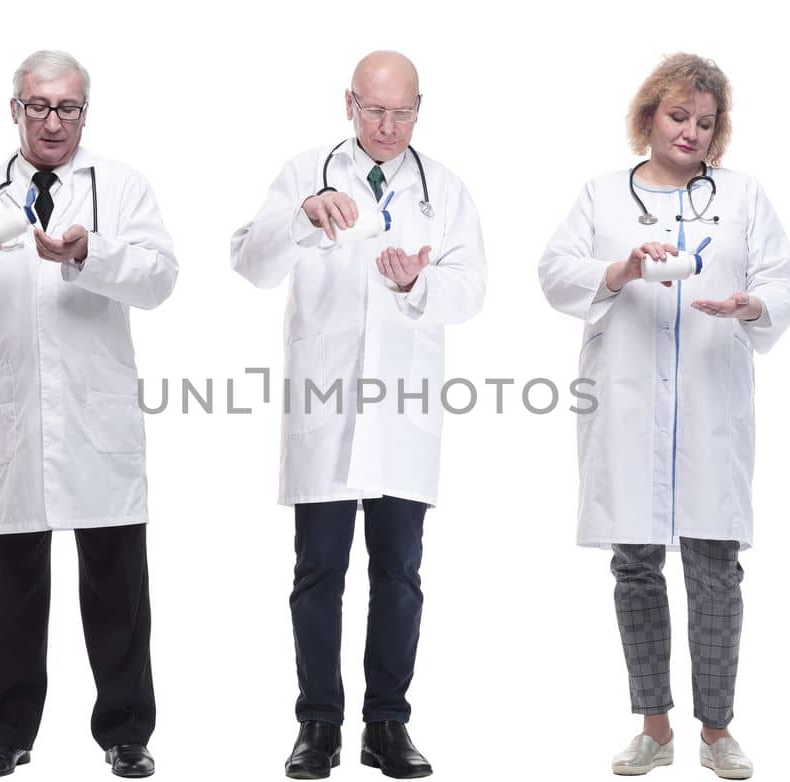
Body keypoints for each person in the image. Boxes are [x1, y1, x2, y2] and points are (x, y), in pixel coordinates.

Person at [0, 50, 178, 780]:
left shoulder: (120, 188)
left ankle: (126, 732)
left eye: (67, 107)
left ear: (85, 113)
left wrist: (94, 252)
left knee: (118, 589)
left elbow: (160, 280)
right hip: (15, 418)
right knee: (9, 591)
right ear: (15, 110)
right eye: (39, 106)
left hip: (100, 423)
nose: (53, 121)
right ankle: (6, 731)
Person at [539, 53, 790, 780]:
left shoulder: (744, 197)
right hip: (627, 404)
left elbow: (782, 281)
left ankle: (717, 731)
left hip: (711, 402)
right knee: (636, 565)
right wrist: (619, 271)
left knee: (716, 567)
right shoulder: (602, 196)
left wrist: (752, 304)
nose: (690, 132)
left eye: (705, 122)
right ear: (650, 114)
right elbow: (555, 272)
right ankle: (654, 727)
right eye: (678, 115)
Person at [230, 50, 486, 780]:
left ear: (419, 108)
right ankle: (318, 727)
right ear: (349, 103)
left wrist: (420, 282)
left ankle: (387, 726)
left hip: (404, 412)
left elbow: (472, 290)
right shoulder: (306, 172)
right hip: (327, 408)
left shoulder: (447, 189)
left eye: (402, 112)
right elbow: (249, 263)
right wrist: (302, 220)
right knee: (318, 574)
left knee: (399, 574)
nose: (388, 126)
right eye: (374, 110)